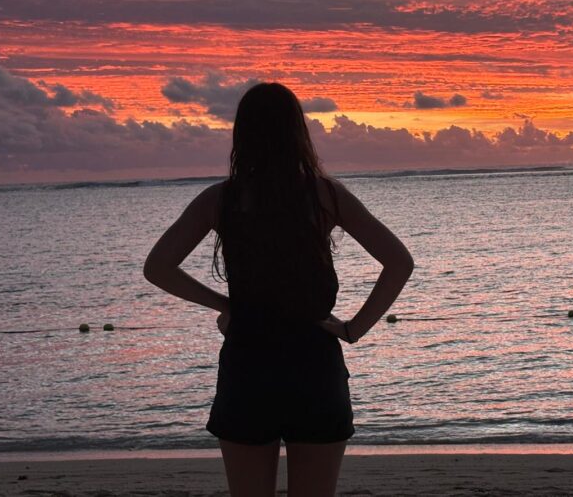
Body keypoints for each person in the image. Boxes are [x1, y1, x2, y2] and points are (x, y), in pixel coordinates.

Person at [143, 82, 414, 497]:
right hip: (314, 366)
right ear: (297, 132)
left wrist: (226, 305)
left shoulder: (221, 200)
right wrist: (353, 329)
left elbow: (158, 267)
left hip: (248, 366)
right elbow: (398, 262)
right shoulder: (325, 196)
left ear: (243, 135)